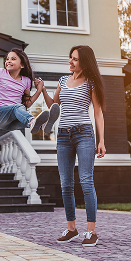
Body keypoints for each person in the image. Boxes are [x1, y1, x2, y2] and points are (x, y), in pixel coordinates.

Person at [40, 45, 106, 247]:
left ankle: (91, 231)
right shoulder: (62, 80)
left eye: (75, 59)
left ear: (84, 62)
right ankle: (71, 229)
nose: (70, 61)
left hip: (84, 134)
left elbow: (97, 112)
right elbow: (53, 106)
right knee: (66, 183)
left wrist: (101, 140)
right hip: (63, 136)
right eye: (70, 58)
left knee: (86, 181)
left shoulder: (91, 83)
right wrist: (43, 89)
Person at [0, 48, 60, 134]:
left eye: (13, 59)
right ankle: (32, 121)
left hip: (11, 121)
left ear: (22, 65)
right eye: (7, 59)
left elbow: (27, 104)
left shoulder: (26, 81)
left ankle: (43, 124)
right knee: (19, 108)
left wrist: (39, 90)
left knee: (23, 114)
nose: (8, 61)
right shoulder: (0, 73)